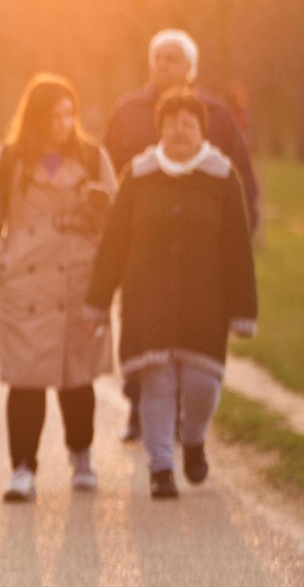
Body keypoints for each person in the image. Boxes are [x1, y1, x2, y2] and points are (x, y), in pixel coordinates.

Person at [85, 89, 257, 500]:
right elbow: (115, 241)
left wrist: (243, 309)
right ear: (159, 129)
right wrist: (98, 299)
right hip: (148, 300)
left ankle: (193, 438)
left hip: (206, 303)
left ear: (201, 131)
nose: (180, 131)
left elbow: (238, 246)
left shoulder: (221, 176)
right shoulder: (139, 173)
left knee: (202, 384)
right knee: (156, 382)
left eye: (189, 124)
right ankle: (161, 466)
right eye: (171, 124)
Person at [102, 29, 259, 443]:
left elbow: (239, 173)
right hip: (141, 244)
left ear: (191, 68)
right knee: (139, 326)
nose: (163, 65)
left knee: (194, 328)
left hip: (199, 247)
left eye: (173, 58)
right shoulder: (128, 111)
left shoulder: (216, 115)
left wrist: (248, 222)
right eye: (157, 57)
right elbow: (106, 168)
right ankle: (140, 408)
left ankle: (184, 419)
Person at [0, 74, 117, 502]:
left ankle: (82, 456)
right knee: (26, 382)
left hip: (78, 283)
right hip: (25, 289)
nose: (65, 122)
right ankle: (22, 470)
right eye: (55, 115)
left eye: (70, 113)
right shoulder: (7, 160)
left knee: (77, 379)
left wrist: (99, 208)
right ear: (36, 118)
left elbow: (117, 221)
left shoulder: (92, 158)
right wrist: (2, 263)